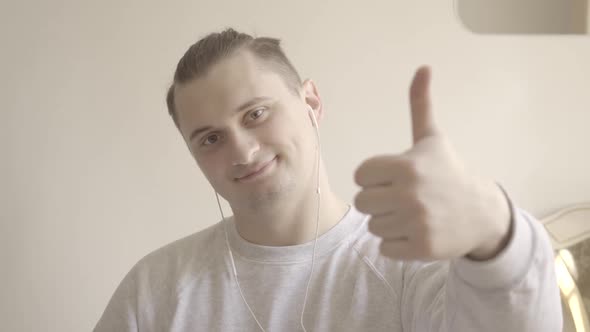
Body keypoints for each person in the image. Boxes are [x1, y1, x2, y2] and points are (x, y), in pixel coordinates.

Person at [94, 28, 562, 331]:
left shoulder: (408, 264)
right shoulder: (155, 290)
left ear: (312, 103)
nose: (242, 150)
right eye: (210, 138)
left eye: (255, 114)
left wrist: (494, 232)